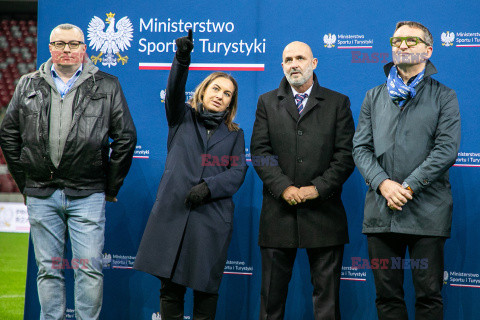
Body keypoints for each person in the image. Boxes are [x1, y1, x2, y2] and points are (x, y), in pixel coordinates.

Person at [0, 23, 136, 319]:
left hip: (87, 192)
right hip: (41, 193)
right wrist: (25, 183)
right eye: (59, 44)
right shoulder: (27, 84)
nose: (66, 50)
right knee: (48, 271)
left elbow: (125, 138)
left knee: (88, 269)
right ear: (50, 48)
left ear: (83, 48)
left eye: (73, 44)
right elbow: (8, 134)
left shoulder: (107, 84)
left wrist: (109, 187)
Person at [134, 30, 247, 320]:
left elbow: (238, 171)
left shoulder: (235, 134)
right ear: (203, 90)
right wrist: (182, 59)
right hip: (173, 216)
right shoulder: (180, 117)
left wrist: (208, 187)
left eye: (227, 94)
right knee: (170, 293)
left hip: (210, 221)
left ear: (231, 102)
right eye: (216, 89)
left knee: (206, 296)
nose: (220, 96)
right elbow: (173, 89)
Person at [352, 21, 461, 320]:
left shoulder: (444, 96)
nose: (401, 45)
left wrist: (408, 186)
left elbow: (446, 150)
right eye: (396, 40)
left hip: (427, 212)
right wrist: (383, 184)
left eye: (411, 41)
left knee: (428, 298)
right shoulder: (373, 96)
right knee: (387, 299)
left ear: (428, 50)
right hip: (381, 213)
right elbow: (360, 149)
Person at [250, 41, 355, 320]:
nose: (294, 64)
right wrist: (284, 187)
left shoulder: (338, 102)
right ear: (282, 65)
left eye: (300, 58)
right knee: (270, 303)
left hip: (324, 215)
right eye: (288, 59)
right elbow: (260, 153)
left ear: (314, 63)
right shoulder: (266, 102)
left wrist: (316, 189)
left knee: (327, 305)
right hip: (277, 215)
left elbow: (345, 156)